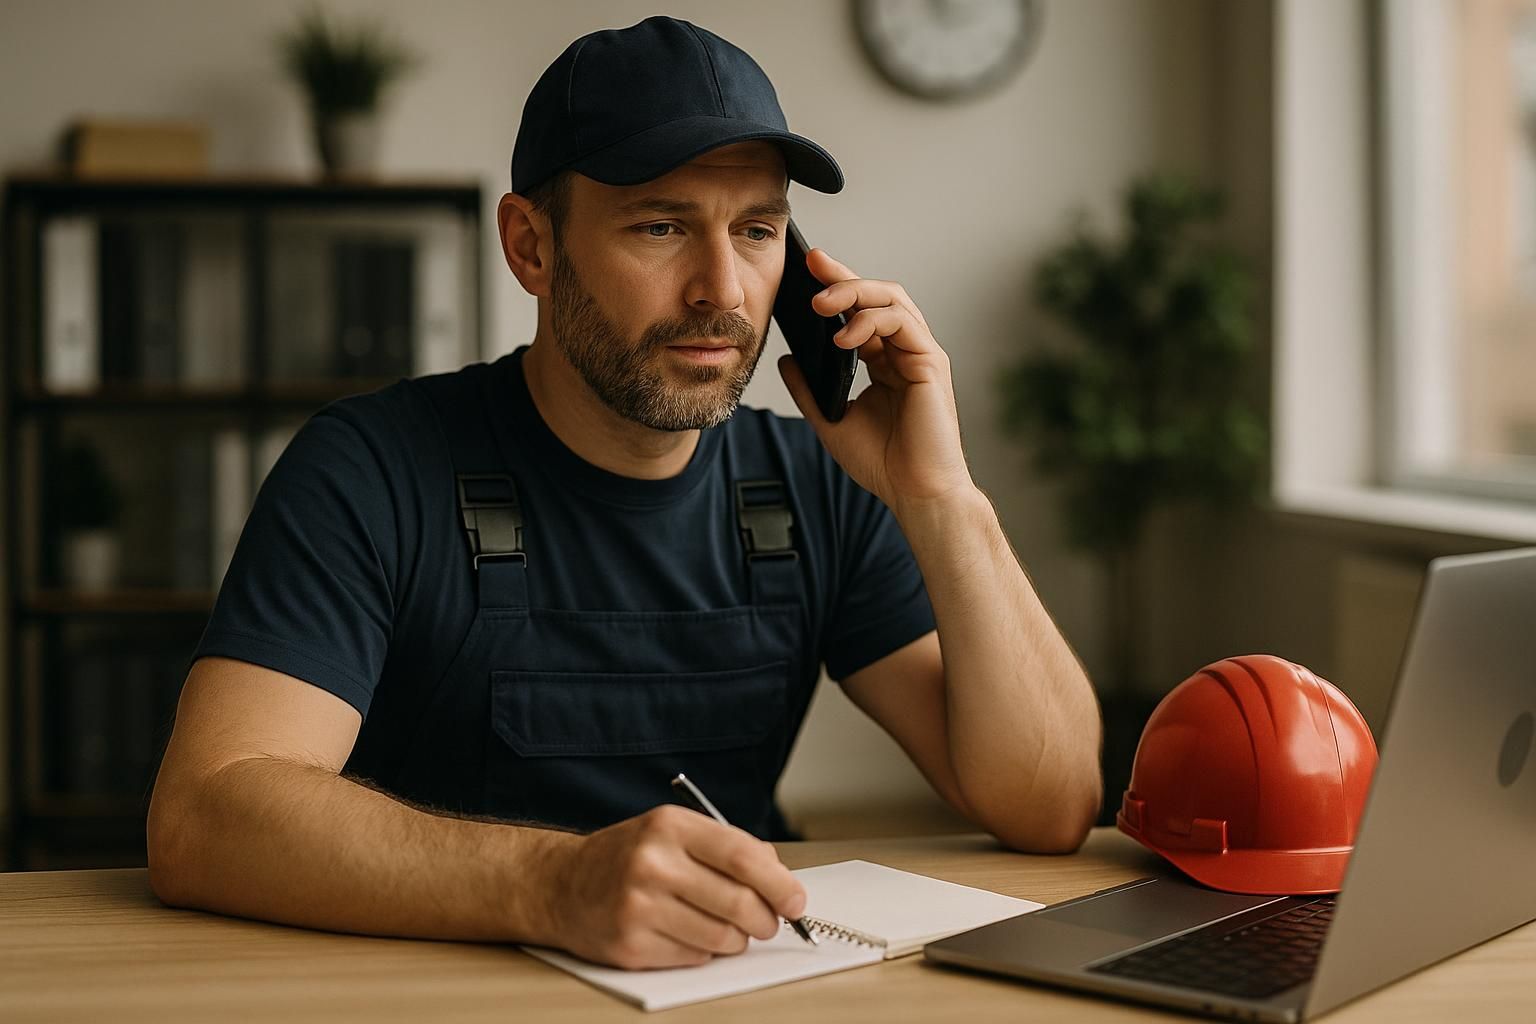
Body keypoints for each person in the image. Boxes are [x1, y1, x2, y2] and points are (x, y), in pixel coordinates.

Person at [147, 16, 1102, 970]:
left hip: (737, 983)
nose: (721, 289)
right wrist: (551, 885)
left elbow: (1050, 805)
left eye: (758, 230)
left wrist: (941, 496)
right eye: (661, 225)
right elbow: (206, 811)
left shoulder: (813, 484)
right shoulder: (370, 470)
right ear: (531, 246)